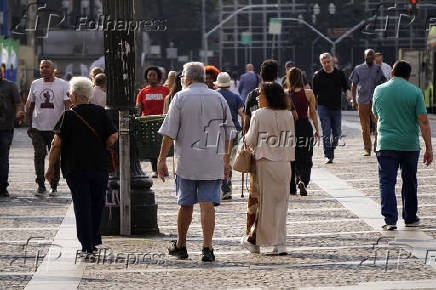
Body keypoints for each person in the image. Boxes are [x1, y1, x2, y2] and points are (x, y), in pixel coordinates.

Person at [157, 62, 234, 262]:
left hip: (186, 162)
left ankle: (181, 245)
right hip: (212, 161)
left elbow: (169, 132)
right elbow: (229, 132)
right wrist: (226, 160)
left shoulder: (180, 98)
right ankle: (207, 248)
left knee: (185, 204)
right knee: (207, 204)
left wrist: (162, 159)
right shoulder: (218, 98)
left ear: (187, 78)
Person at [45, 77, 118, 258]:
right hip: (99, 166)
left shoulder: (68, 115)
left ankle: (87, 245)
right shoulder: (101, 112)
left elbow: (56, 144)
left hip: (75, 168)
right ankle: (93, 240)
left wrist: (50, 167)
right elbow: (113, 137)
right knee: (96, 204)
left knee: (82, 205)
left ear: (75, 95)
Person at [372, 60, 433, 231]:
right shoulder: (415, 92)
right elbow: (424, 122)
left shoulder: (379, 90)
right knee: (410, 182)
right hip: (409, 145)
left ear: (391, 73)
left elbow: (376, 114)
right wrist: (429, 147)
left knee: (387, 182)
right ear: (408, 76)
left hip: (386, 143)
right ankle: (410, 218)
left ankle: (390, 220)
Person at [241, 82, 295, 255]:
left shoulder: (258, 114)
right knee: (281, 204)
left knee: (264, 204)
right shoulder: (288, 115)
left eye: (260, 94)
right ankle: (280, 244)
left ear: (268, 96)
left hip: (265, 162)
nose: (258, 97)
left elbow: (250, 139)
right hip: (284, 163)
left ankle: (255, 240)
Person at [26, 60, 71, 195]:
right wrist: (29, 125)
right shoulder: (35, 84)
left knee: (55, 157)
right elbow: (29, 105)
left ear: (53, 69)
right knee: (39, 155)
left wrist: (66, 125)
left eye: (47, 67)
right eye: (41, 67)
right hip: (38, 127)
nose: (44, 69)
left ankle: (54, 184)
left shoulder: (63, 85)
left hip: (56, 129)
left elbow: (68, 106)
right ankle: (40, 184)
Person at [313, 52, 351, 163]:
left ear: (332, 61)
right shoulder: (317, 76)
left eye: (328, 62)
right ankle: (328, 155)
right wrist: (311, 108)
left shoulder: (339, 74)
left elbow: (346, 87)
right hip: (323, 107)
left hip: (336, 107)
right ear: (321, 63)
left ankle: (331, 148)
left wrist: (348, 93)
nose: (326, 64)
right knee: (326, 131)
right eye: (324, 63)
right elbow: (314, 94)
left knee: (337, 132)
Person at [287, 67, 319, 196]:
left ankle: (292, 187)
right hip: (305, 126)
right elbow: (313, 113)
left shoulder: (285, 94)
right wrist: (317, 129)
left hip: (290, 127)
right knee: (306, 157)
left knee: (291, 157)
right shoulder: (309, 93)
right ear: (301, 78)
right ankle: (303, 181)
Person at [350, 49, 386, 156]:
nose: (370, 57)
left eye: (372, 55)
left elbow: (383, 82)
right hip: (362, 101)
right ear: (364, 56)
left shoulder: (378, 69)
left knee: (378, 125)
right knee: (364, 127)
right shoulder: (358, 69)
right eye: (368, 55)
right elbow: (354, 85)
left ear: (374, 57)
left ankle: (376, 146)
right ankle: (367, 148)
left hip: (376, 101)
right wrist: (354, 100)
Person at [136, 66, 170, 178]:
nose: (152, 77)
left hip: (162, 122)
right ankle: (155, 169)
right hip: (148, 124)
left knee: (162, 146)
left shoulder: (165, 91)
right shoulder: (143, 92)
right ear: (146, 77)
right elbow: (139, 107)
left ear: (159, 77)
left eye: (154, 75)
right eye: (149, 75)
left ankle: (163, 166)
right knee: (152, 147)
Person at [215, 72, 244, 200]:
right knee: (229, 162)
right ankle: (227, 190)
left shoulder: (214, 96)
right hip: (233, 132)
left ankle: (217, 189)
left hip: (216, 133)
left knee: (217, 161)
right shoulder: (236, 97)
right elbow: (243, 115)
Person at [0, 66, 24, 197]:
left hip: (5, 128)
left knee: (3, 158)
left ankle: (2, 187)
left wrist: (19, 113)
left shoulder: (10, 86)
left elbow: (18, 103)